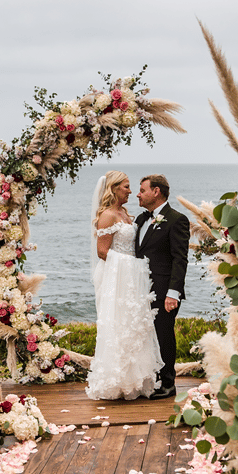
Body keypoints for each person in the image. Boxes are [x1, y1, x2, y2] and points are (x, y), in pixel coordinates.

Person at [86, 171, 163, 400]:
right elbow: (102, 252)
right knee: (117, 324)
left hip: (131, 278)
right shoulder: (108, 215)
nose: (131, 191)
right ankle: (115, 381)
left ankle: (134, 381)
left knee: (134, 325)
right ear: (114, 188)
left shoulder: (125, 214)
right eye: (127, 187)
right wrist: (131, 264)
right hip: (117, 279)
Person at [135, 174, 190, 400]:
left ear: (156, 192)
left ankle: (168, 384)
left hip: (164, 291)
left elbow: (180, 259)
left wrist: (173, 294)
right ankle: (152, 379)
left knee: (163, 336)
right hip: (140, 290)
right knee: (147, 337)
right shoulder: (140, 219)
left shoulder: (177, 219)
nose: (138, 194)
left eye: (142, 190)